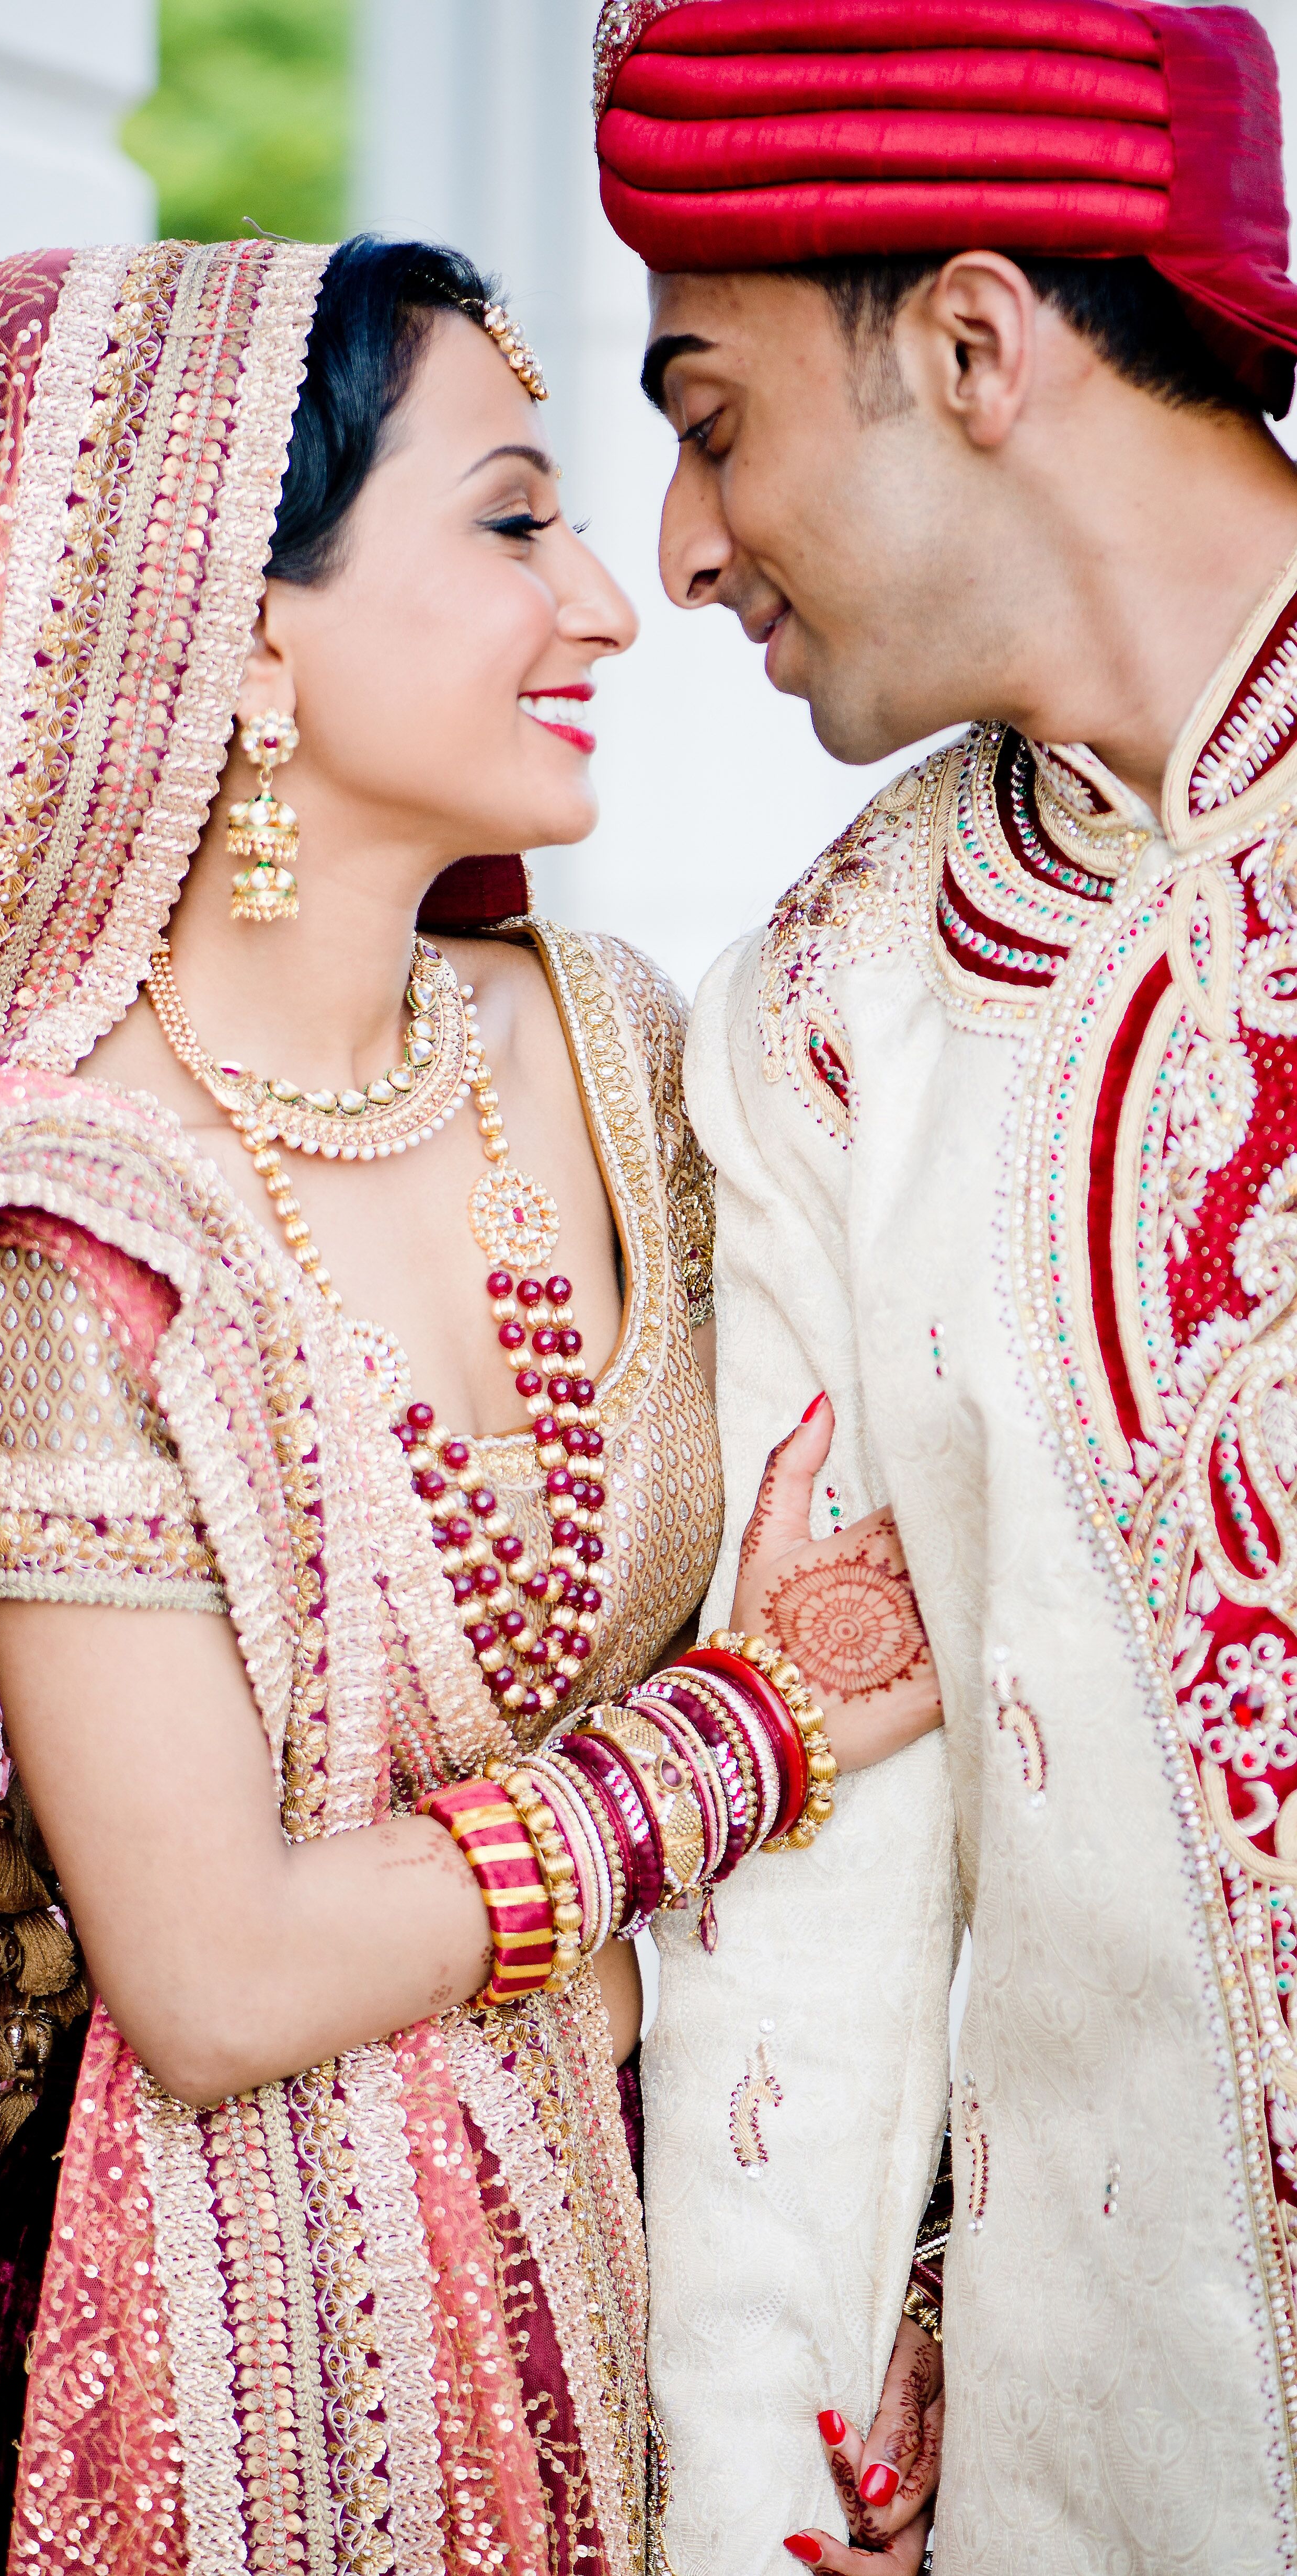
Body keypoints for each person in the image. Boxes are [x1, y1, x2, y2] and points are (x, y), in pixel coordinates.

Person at [0, 231, 940, 2576]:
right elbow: (221, 1965)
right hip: (199, 2375)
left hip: (652, 2295)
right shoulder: (67, 1220)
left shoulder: (624, 1042)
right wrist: (748, 1732)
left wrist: (876, 2287)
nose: (608, 601)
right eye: (507, 519)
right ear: (240, 621)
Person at [592, 0, 1297, 2569]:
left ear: (978, 345)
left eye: (708, 413)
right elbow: (819, 1906)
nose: (676, 548)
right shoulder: (833, 1012)